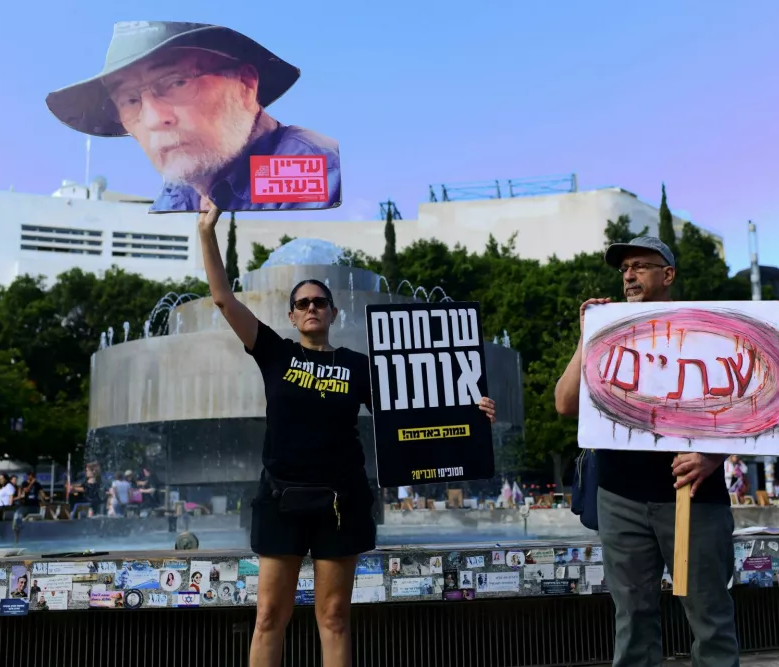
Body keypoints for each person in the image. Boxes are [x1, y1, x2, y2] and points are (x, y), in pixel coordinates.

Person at [198, 201, 495, 667]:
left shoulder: (358, 366)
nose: (312, 308)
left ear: (333, 313)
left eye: (320, 302)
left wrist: (472, 410)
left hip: (342, 503)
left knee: (334, 616)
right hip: (281, 500)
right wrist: (207, 232)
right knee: (268, 617)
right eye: (303, 303)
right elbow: (222, 298)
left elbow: (410, 412)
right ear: (292, 316)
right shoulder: (274, 353)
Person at [553, 236, 739, 667]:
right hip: (620, 496)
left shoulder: (705, 331)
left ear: (667, 275)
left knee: (709, 617)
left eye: (639, 265)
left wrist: (714, 457)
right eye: (624, 269)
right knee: (633, 618)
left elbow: (744, 408)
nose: (629, 275)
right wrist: (587, 338)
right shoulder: (607, 330)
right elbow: (565, 403)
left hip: (693, 496)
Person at [46, 21, 340, 213]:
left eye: (177, 83)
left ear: (245, 86)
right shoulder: (181, 190)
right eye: (131, 100)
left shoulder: (315, 169)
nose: (153, 119)